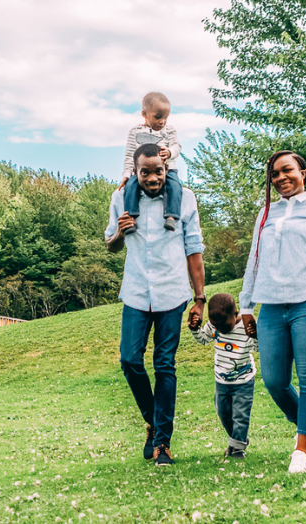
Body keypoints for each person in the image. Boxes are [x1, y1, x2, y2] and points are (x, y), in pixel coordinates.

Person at [237, 150, 306, 474]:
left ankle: (300, 453)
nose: (280, 178)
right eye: (274, 174)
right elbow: (254, 261)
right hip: (272, 303)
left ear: (303, 172)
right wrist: (246, 305)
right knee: (274, 380)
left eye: (287, 170)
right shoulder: (265, 213)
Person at [106, 142, 206, 467]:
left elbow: (194, 250)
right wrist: (118, 235)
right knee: (129, 359)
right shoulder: (120, 198)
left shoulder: (185, 198)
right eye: (145, 172)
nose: (152, 178)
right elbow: (110, 245)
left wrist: (199, 298)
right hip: (135, 292)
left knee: (165, 364)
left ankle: (162, 441)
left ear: (166, 169)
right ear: (134, 173)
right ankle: (153, 420)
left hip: (172, 293)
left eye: (158, 172)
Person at [189, 292, 257, 458]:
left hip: (243, 379)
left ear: (236, 314)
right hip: (221, 380)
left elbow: (257, 348)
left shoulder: (245, 327)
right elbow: (204, 339)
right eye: (216, 327)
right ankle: (235, 441)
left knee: (240, 415)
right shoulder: (215, 326)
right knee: (223, 412)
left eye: (225, 327)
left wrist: (255, 335)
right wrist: (194, 329)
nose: (220, 330)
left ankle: (238, 448)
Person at [120, 92, 184, 234]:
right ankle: (131, 216)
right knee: (130, 186)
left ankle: (171, 216)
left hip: (167, 170)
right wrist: (126, 174)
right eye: (158, 117)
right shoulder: (135, 132)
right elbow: (130, 154)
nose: (162, 121)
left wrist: (169, 152)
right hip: (141, 173)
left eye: (165, 117)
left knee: (174, 185)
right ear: (144, 114)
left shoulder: (169, 130)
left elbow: (177, 146)